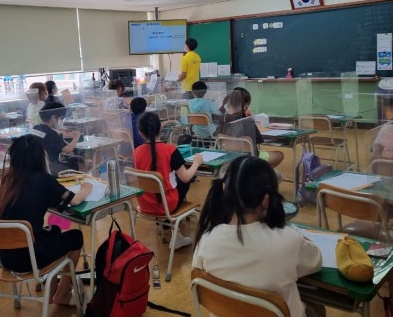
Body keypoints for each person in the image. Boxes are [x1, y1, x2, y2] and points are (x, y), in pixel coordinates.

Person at [192, 156, 324, 317]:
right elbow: (316, 261)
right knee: (315, 306)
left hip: (227, 312)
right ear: (266, 201)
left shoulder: (206, 240)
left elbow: (198, 273)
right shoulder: (288, 240)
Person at [0, 135, 92, 306]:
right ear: (40, 156)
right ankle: (62, 294)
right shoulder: (42, 179)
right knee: (76, 237)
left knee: (54, 230)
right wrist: (87, 187)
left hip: (7, 255)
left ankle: (52, 289)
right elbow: (75, 201)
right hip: (29, 258)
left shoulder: (9, 179)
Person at [133, 112, 203, 248]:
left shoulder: (136, 152)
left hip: (145, 204)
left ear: (140, 133)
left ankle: (167, 224)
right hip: (166, 205)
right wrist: (196, 163)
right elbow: (186, 177)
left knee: (173, 180)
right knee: (183, 182)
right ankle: (176, 235)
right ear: (160, 128)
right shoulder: (170, 150)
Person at [218, 90, 284, 168]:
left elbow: (216, 136)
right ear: (245, 105)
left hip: (228, 159)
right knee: (279, 154)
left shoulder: (222, 119)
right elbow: (259, 140)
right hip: (249, 159)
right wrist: (250, 118)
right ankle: (259, 173)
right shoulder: (247, 121)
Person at [34, 102, 81, 176]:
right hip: (51, 167)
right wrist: (76, 137)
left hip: (38, 165)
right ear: (53, 118)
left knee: (70, 160)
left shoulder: (36, 128)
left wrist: (59, 131)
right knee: (75, 164)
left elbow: (49, 139)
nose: (61, 121)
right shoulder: (51, 133)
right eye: (61, 118)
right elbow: (68, 150)